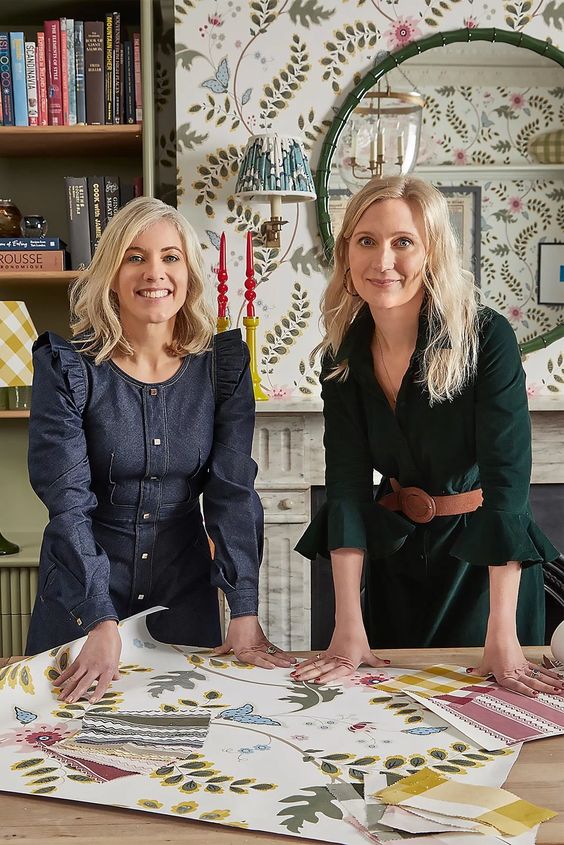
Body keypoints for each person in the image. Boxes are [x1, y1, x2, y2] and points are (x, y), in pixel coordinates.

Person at [294, 175, 563, 697]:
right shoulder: (341, 357)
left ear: (433, 250)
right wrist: (348, 624)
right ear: (347, 251)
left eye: (403, 243)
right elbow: (346, 489)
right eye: (366, 241)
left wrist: (502, 633)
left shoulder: (486, 337)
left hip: (483, 579)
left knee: (489, 730)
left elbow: (508, 489)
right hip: (395, 571)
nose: (383, 261)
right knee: (388, 728)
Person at [26, 196, 293, 703]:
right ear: (111, 272)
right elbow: (67, 504)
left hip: (183, 600)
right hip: (81, 597)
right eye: (135, 256)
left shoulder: (223, 369)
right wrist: (99, 616)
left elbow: (233, 493)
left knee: (188, 748)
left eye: (170, 257)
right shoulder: (67, 369)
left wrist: (243, 609)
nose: (155, 272)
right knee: (67, 757)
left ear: (189, 272)